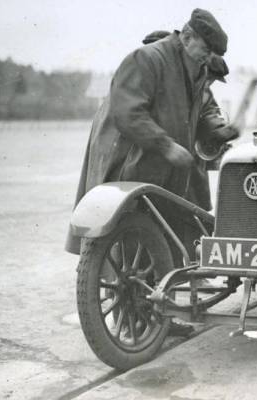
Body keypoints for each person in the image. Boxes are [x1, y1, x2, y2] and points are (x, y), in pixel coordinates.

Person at [65, 9, 238, 255]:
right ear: (187, 37)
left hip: (164, 166)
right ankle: (122, 288)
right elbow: (128, 113)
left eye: (213, 54)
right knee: (121, 229)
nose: (209, 59)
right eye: (206, 50)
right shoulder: (147, 59)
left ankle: (156, 282)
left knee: (164, 231)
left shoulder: (197, 69)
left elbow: (206, 110)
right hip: (131, 160)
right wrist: (166, 145)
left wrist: (221, 131)